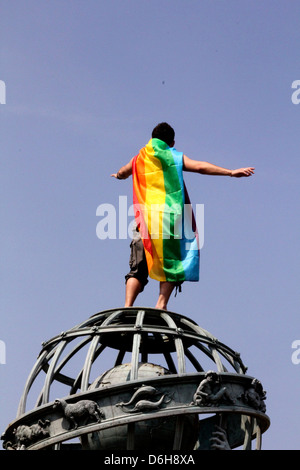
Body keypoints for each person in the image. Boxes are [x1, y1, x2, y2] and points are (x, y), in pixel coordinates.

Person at [111, 122, 254, 310]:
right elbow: (200, 167)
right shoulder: (173, 155)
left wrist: (120, 176)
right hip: (169, 221)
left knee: (137, 269)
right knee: (173, 264)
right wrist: (230, 172)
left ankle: (127, 306)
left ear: (152, 138)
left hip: (144, 222)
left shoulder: (139, 158)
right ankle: (160, 305)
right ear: (172, 142)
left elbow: (123, 171)